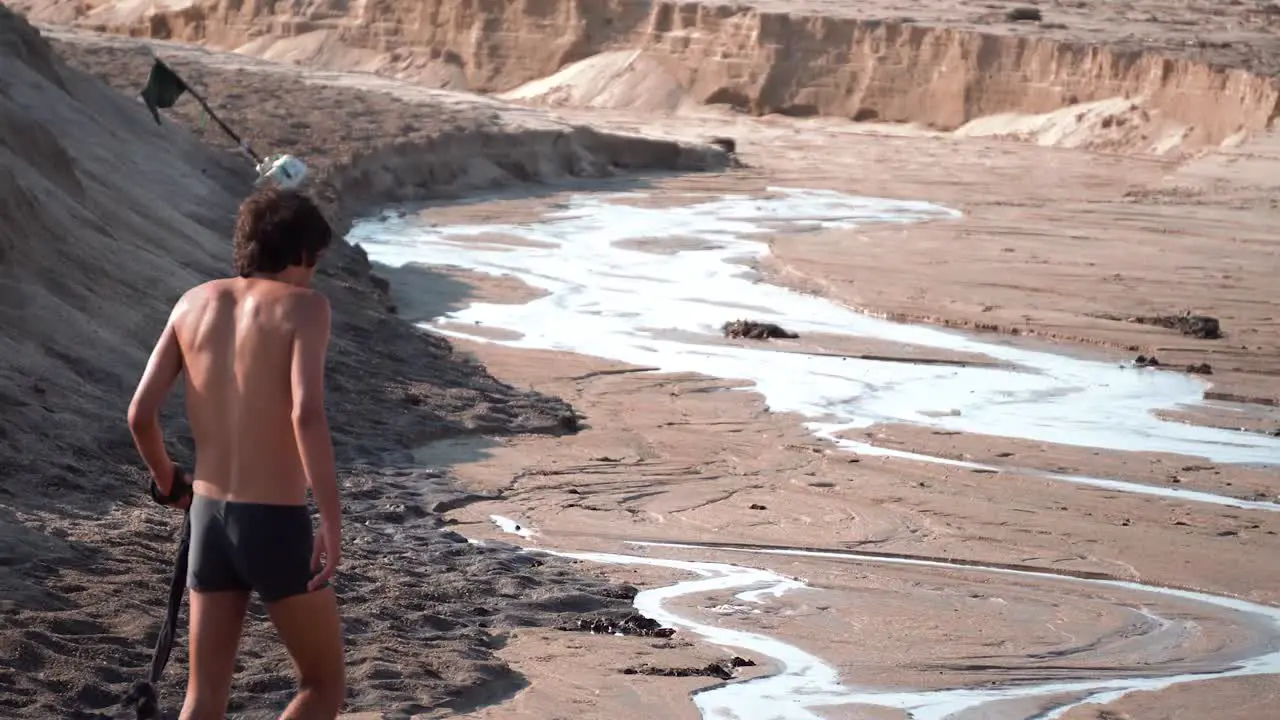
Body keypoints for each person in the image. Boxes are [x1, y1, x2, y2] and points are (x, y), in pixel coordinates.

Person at [126, 185, 346, 719]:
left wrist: (167, 482)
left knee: (203, 698)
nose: (313, 272)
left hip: (207, 517)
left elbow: (139, 414)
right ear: (299, 255)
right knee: (322, 685)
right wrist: (333, 521)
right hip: (273, 519)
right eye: (314, 261)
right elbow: (306, 415)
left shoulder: (192, 303)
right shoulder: (305, 307)